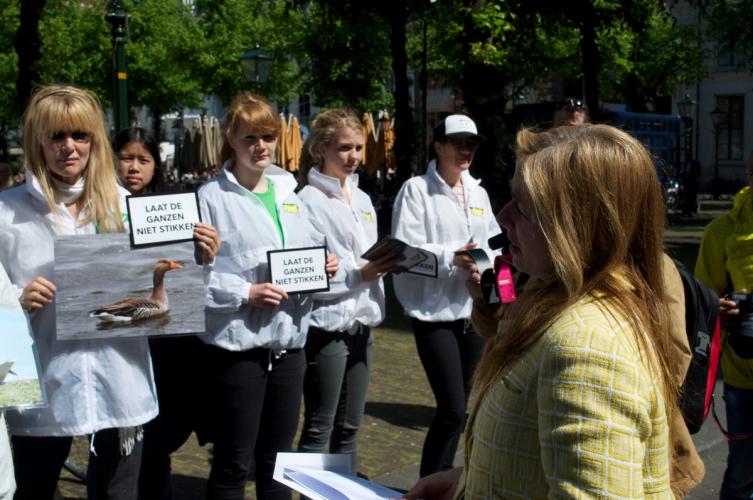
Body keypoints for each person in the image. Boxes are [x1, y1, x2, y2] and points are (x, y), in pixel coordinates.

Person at [406, 124, 678, 499]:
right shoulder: (550, 290)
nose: (504, 217)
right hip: (433, 312)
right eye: (458, 143)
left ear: (578, 225)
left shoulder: (584, 349)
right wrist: (465, 480)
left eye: (525, 208)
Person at [0, 84, 157, 500]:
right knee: (31, 491)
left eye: (80, 135)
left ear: (95, 142)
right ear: (37, 142)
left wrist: (200, 258)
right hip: (38, 384)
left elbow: (168, 292)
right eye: (56, 136)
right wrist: (15, 298)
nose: (69, 147)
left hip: (120, 379)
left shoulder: (126, 207)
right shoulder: (7, 212)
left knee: (117, 494)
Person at [197, 92, 338, 500]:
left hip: (289, 346)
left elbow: (308, 251)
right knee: (233, 462)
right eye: (249, 138)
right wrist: (245, 291)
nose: (260, 147)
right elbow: (194, 277)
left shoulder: (288, 194)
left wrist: (323, 265)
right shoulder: (211, 198)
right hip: (239, 348)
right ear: (231, 139)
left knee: (279, 462)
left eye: (267, 136)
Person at [111, 127, 221, 500]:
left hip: (169, 346)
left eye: (143, 160)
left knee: (159, 437)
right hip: (120, 345)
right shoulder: (100, 210)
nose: (134, 167)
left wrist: (205, 254)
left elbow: (189, 277)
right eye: (126, 158)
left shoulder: (172, 208)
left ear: (156, 165)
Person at [391, 114, 501, 477]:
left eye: (471, 143)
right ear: (438, 145)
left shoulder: (480, 192)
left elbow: (494, 249)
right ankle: (428, 485)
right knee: (452, 408)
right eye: (458, 142)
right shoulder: (416, 190)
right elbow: (402, 254)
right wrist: (450, 257)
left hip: (474, 313)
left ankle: (452, 482)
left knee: (468, 408)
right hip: (432, 314)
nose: (466, 150)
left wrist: (504, 294)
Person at [296, 109, 399, 471]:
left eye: (357, 147)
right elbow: (309, 278)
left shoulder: (364, 200)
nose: (353, 156)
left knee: (350, 428)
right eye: (343, 148)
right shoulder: (306, 201)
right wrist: (361, 273)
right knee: (319, 427)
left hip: (363, 327)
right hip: (327, 329)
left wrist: (387, 262)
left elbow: (359, 261)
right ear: (322, 148)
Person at [695, 150, 753, 500]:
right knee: (742, 475)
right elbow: (702, 302)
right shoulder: (722, 232)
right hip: (743, 375)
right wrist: (722, 311)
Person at [113, 127, 161, 195]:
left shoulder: (168, 201)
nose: (134, 168)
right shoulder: (96, 201)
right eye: (127, 159)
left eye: (143, 161)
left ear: (155, 166)